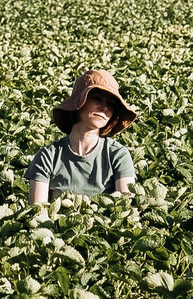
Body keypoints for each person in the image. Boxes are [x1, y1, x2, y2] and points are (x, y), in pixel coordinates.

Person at [28, 68, 138, 204]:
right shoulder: (48, 156)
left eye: (110, 104)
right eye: (97, 99)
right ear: (79, 103)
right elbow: (36, 212)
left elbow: (124, 208)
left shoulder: (117, 154)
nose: (104, 108)